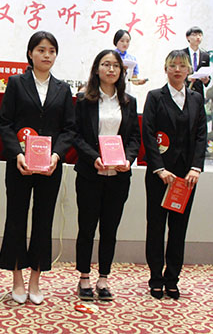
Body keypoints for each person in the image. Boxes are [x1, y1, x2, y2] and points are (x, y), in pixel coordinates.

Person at [0, 31, 75, 305]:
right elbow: (5, 123)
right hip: (19, 164)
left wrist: (57, 155)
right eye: (41, 50)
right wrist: (16, 153)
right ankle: (17, 279)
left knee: (44, 222)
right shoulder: (16, 83)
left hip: (50, 166)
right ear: (30, 53)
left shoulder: (63, 89)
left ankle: (35, 280)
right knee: (16, 219)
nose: (46, 55)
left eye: (51, 51)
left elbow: (69, 129)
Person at [73, 50, 141, 301]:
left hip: (118, 175)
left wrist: (128, 159)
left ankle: (103, 278)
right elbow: (76, 136)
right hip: (90, 173)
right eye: (105, 64)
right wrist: (94, 157)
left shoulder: (129, 101)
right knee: (87, 227)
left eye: (115, 66)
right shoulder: (84, 100)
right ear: (96, 69)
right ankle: (84, 277)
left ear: (121, 71)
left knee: (110, 228)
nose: (111, 70)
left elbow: (134, 138)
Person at [141, 49, 207, 300]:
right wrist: (159, 168)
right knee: (156, 227)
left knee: (179, 228)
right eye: (172, 65)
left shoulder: (196, 99)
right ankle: (156, 278)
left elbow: (201, 135)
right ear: (165, 69)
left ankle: (172, 278)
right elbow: (148, 133)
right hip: (160, 174)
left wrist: (195, 168)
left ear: (189, 69)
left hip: (186, 177)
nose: (177, 70)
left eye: (182, 65)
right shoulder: (155, 96)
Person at [113, 29, 146, 94]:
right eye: (122, 41)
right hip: (112, 89)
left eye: (127, 41)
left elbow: (132, 80)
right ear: (116, 41)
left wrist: (139, 82)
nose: (125, 43)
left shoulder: (132, 59)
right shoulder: (110, 56)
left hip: (126, 91)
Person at [182, 26, 211, 99]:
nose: (198, 37)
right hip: (184, 91)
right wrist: (187, 78)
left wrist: (206, 80)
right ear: (188, 37)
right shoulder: (182, 54)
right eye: (194, 35)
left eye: (200, 35)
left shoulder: (205, 55)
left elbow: (207, 74)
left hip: (199, 93)